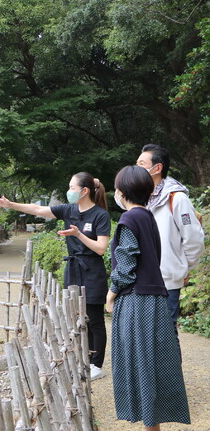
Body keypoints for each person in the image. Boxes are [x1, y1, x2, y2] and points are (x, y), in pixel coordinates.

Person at [0, 172, 111, 380]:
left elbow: (101, 248)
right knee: (76, 317)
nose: (69, 191)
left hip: (92, 270)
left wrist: (78, 234)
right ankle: (82, 358)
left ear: (84, 191)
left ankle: (96, 365)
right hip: (73, 268)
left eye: (72, 188)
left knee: (94, 319)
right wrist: (10, 205)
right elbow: (38, 209)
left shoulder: (100, 215)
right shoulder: (69, 210)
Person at [106, 165, 190, 430]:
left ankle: (150, 426)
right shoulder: (148, 217)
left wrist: (111, 294)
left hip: (136, 301)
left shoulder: (129, 220)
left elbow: (126, 265)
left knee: (138, 364)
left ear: (121, 192)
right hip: (155, 300)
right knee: (153, 365)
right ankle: (153, 426)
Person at [136, 144, 205, 324]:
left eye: (141, 164)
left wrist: (184, 268)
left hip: (167, 280)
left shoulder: (176, 198)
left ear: (157, 168)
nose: (136, 168)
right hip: (142, 279)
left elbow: (194, 239)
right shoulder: (142, 198)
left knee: (166, 333)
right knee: (147, 332)